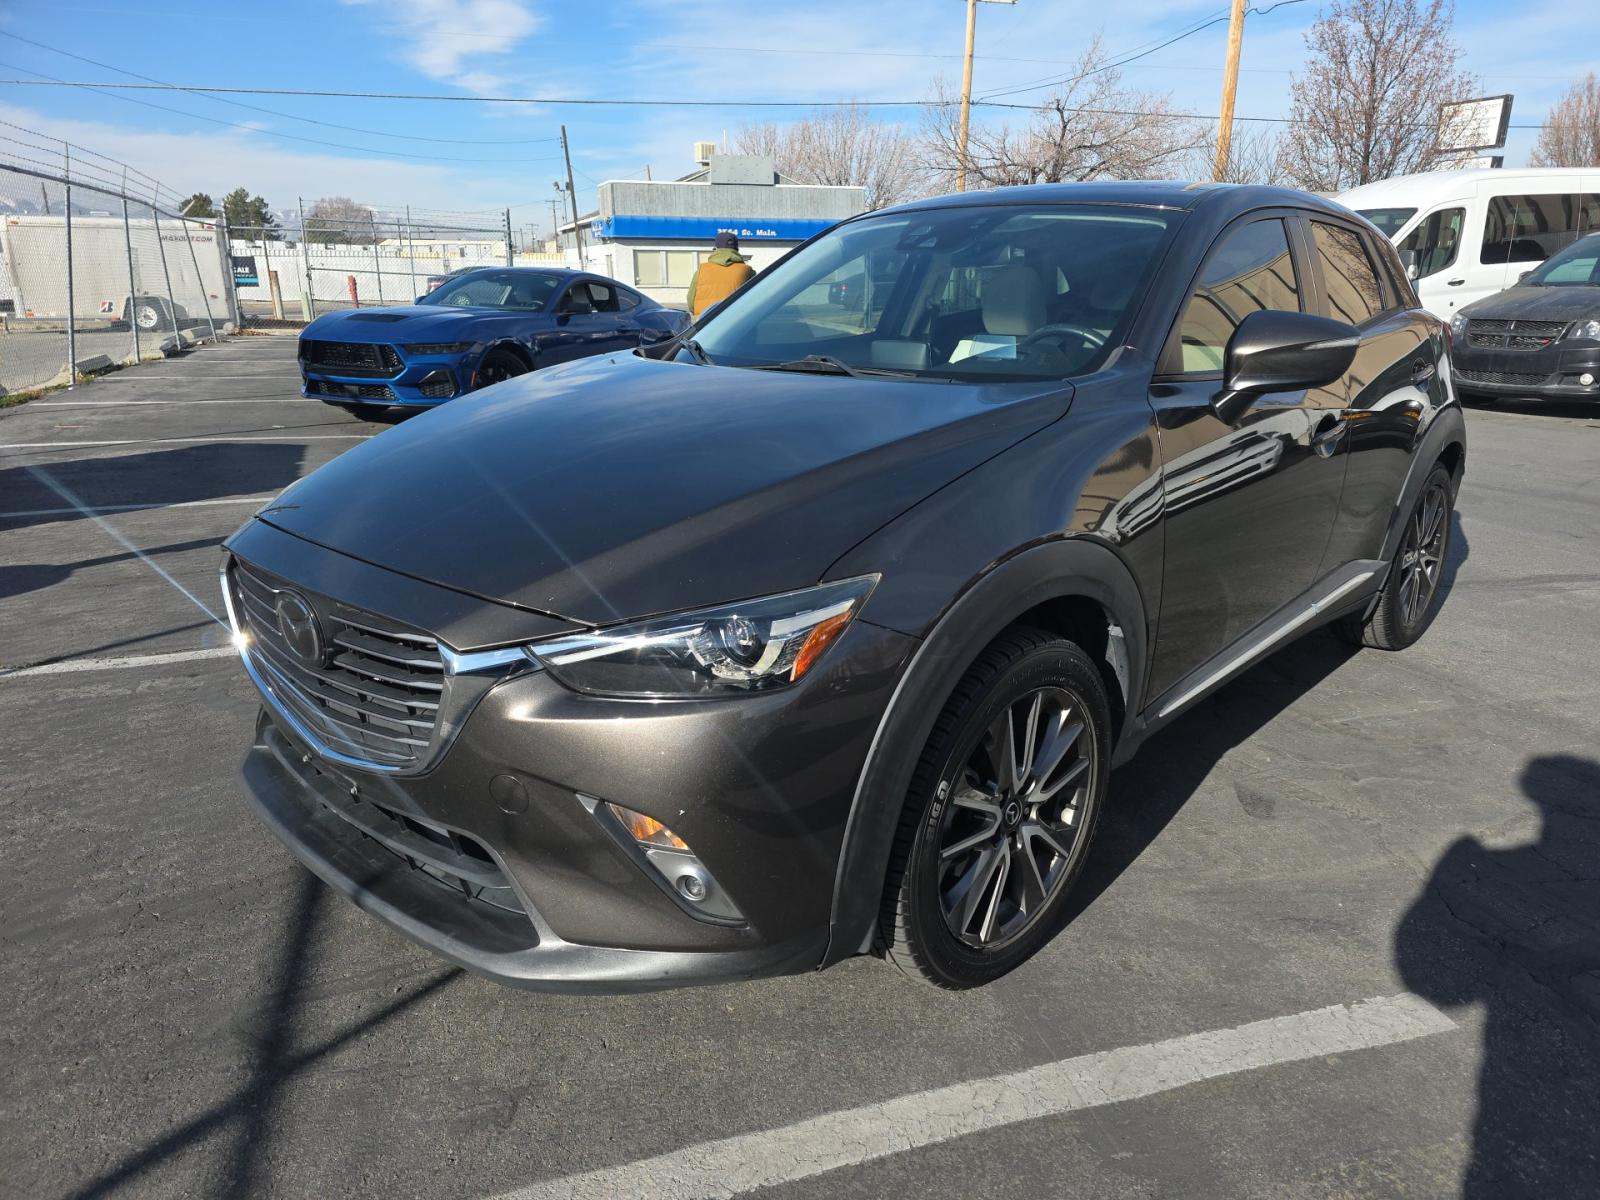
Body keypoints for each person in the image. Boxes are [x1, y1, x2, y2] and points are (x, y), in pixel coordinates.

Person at [686, 231, 754, 318]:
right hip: (736, 323)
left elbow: (691, 301)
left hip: (705, 324)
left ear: (716, 249)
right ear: (736, 250)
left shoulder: (702, 270)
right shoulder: (747, 271)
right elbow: (754, 300)